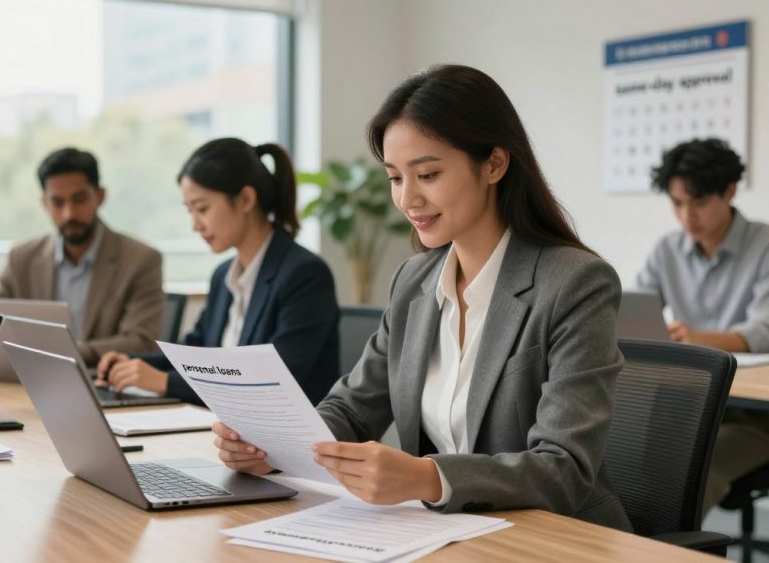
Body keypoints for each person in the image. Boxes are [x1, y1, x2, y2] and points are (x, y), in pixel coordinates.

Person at [211, 65, 632, 531]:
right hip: (443, 532)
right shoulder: (414, 281)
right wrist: (271, 447)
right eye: (395, 178)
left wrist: (430, 478)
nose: (408, 198)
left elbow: (564, 469)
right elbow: (352, 408)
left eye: (427, 174)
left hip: (555, 537)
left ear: (494, 164)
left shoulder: (575, 282)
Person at [96, 138, 340, 405]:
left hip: (292, 440)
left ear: (246, 199)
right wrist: (133, 364)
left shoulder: (304, 274)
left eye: (202, 208)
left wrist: (164, 381)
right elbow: (195, 352)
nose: (195, 225)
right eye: (190, 211)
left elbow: (273, 379)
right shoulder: (223, 275)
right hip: (226, 431)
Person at [636, 138, 769, 514]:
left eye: (699, 202)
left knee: (688, 469)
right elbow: (633, 310)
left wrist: (698, 341)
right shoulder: (667, 250)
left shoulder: (765, 244)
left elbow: (765, 329)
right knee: (623, 450)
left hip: (755, 418)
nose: (687, 216)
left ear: (728, 191)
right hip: (690, 405)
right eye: (677, 203)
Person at [0, 147, 163, 364]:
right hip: (30, 379)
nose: (69, 213)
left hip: (100, 381)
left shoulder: (141, 260)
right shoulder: (21, 258)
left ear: (100, 196)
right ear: (44, 203)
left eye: (79, 199)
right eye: (57, 202)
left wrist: (67, 352)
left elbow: (142, 342)